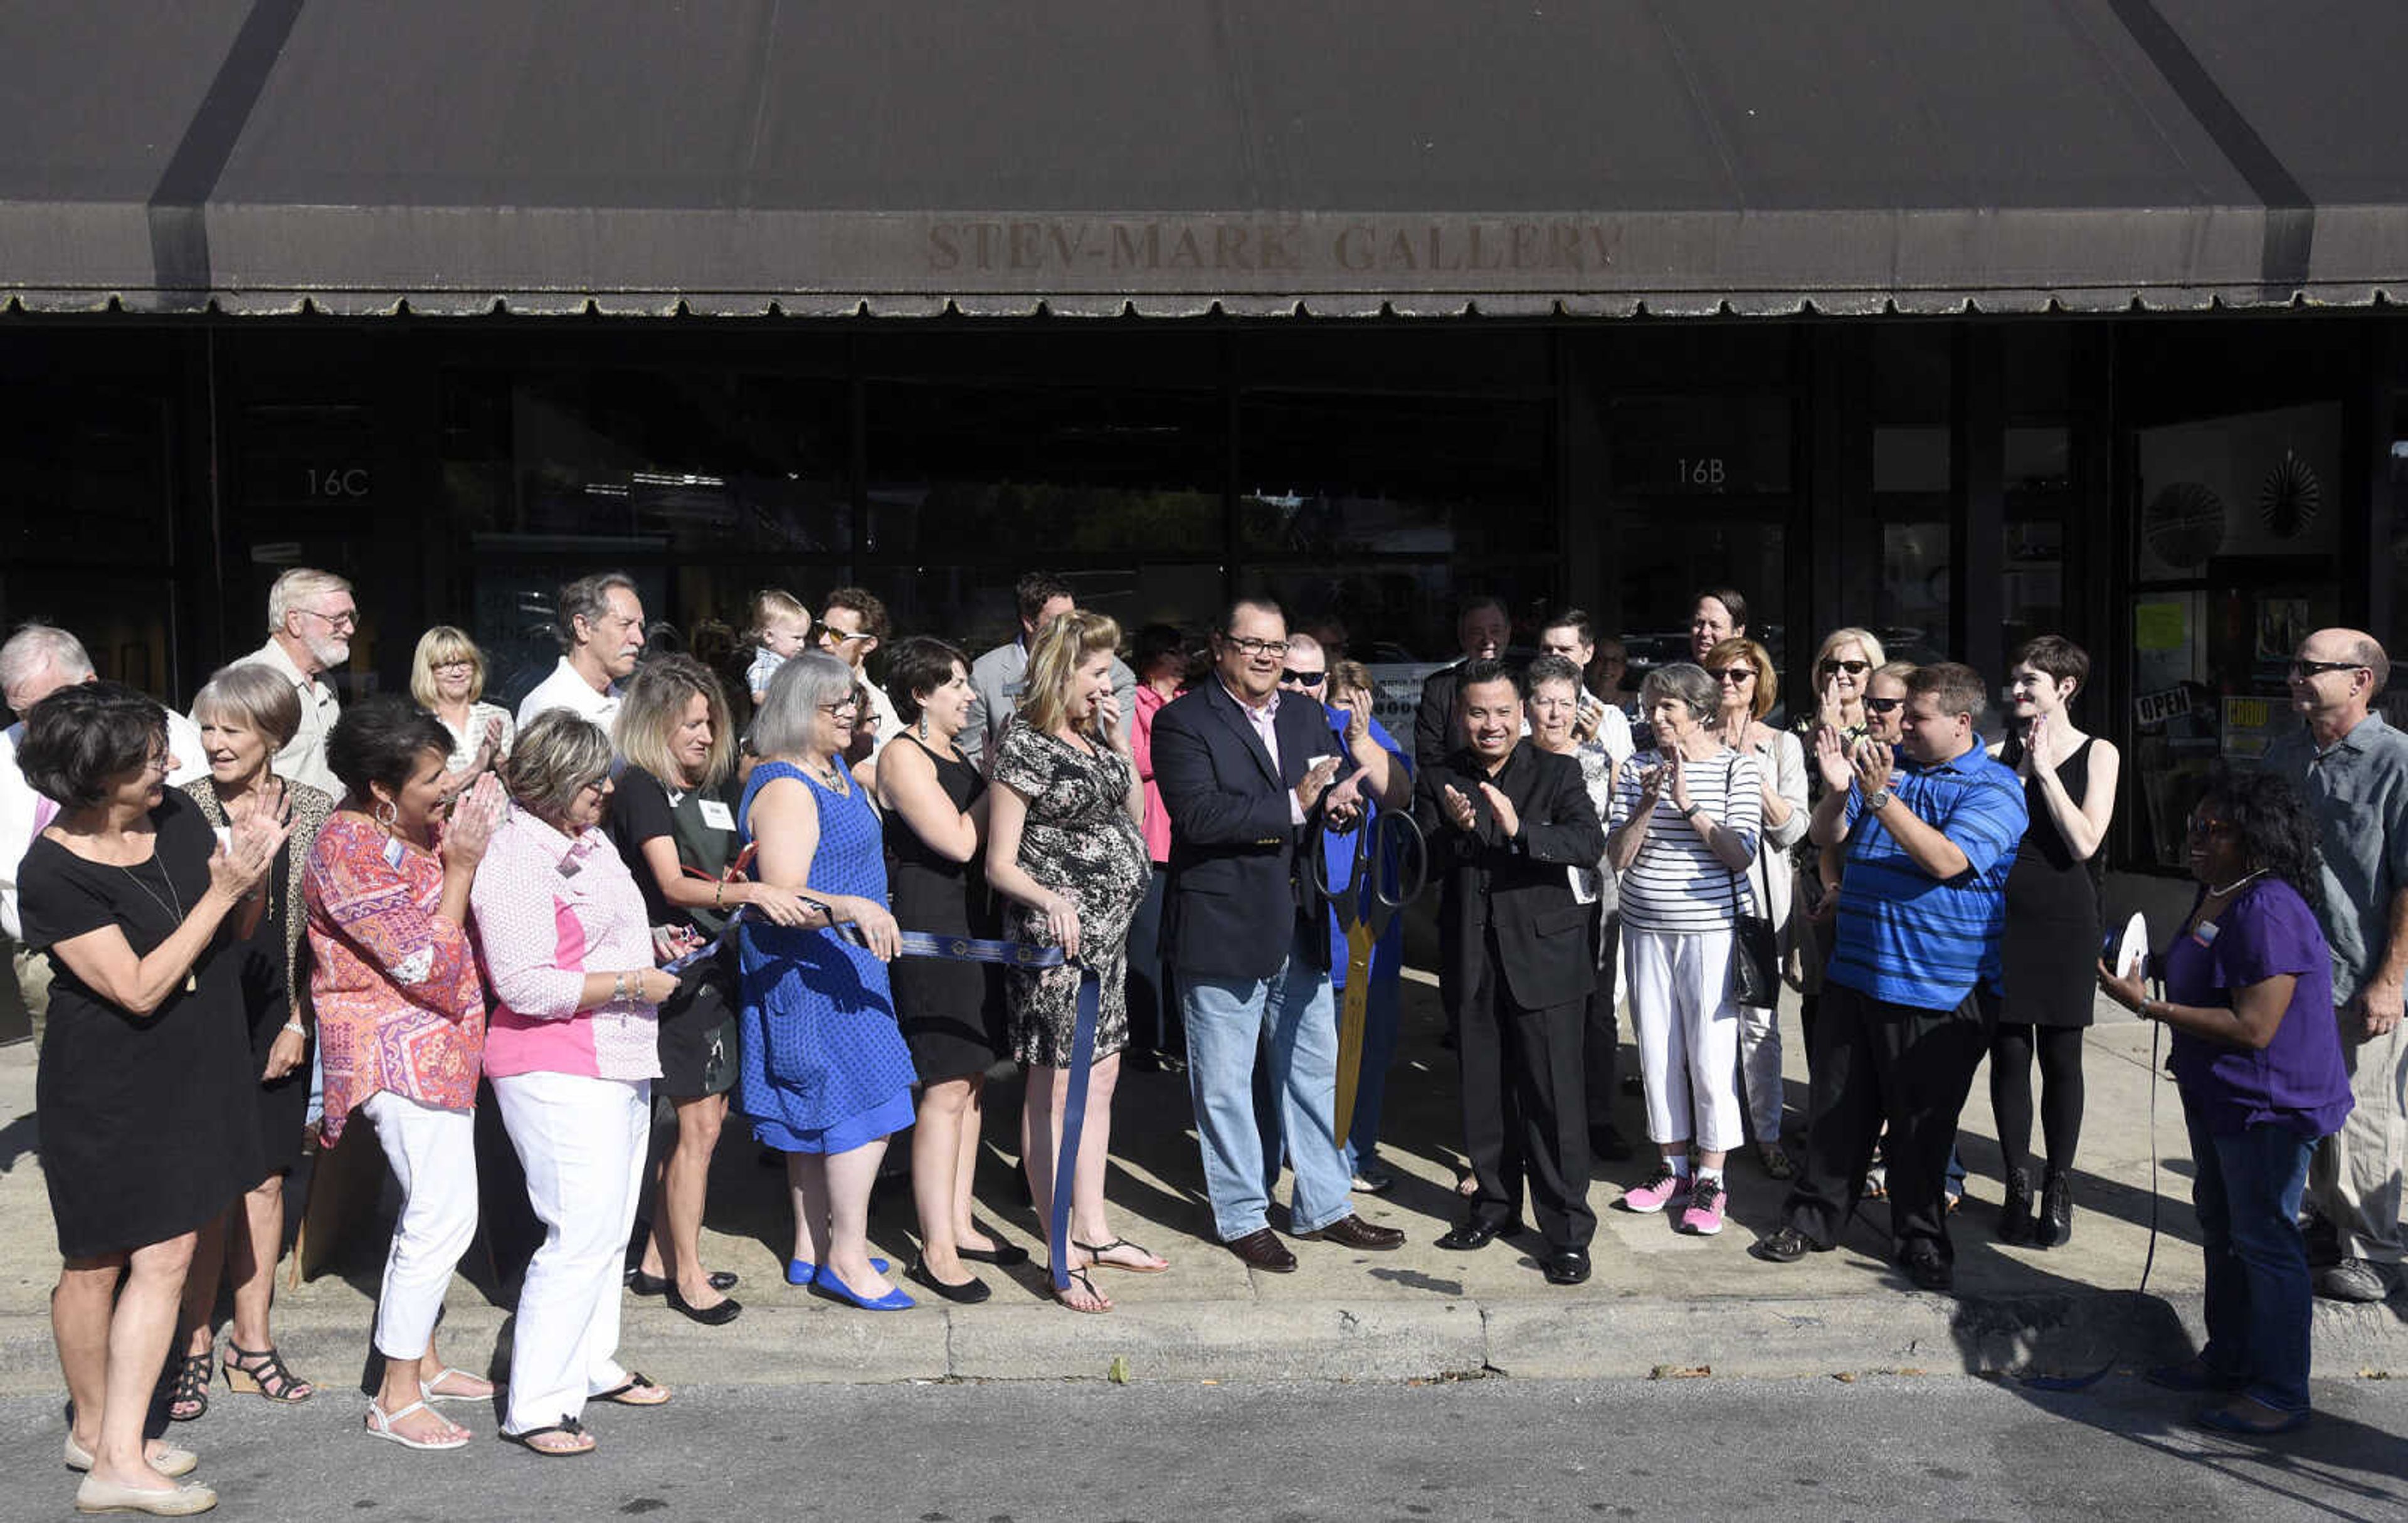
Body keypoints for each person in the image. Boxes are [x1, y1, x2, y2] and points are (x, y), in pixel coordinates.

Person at [19, 682, 286, 1516]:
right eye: (147, 759)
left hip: (198, 1067)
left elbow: (235, 931)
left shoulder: (171, 816)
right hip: (109, 1087)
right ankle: (107, 1446)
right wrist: (221, 890)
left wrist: (252, 873)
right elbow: (135, 989)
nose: (170, 764)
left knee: (166, 1257)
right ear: (93, 779)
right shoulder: (52, 870)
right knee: (96, 1261)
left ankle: (114, 1443)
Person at [1753, 663, 2027, 1291]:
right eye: (1902, 713)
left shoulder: (1996, 787)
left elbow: (1947, 859)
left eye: (1917, 717)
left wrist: (1880, 796)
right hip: (1858, 973)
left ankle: (1921, 1239)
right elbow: (1826, 834)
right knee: (1837, 1113)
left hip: (1940, 989)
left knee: (1920, 1129)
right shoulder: (1890, 765)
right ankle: (1814, 1217)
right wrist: (1837, 788)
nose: (1903, 724)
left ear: (1963, 723)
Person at [1153, 598, 1406, 1271]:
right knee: (1227, 1084)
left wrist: (1336, 808)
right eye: (1252, 644)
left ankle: (1325, 1204)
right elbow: (1200, 816)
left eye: (1274, 646)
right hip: (1222, 926)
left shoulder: (1301, 714)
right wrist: (1297, 804)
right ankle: (1241, 1215)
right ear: (1219, 646)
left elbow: (1323, 795)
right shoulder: (1183, 721)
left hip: (1300, 922)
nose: (1266, 657)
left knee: (1314, 1074)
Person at [2097, 771, 2353, 1435]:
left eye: (2214, 830)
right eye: (2193, 828)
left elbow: (2255, 1027)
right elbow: (2200, 969)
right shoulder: (2217, 892)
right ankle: (2229, 1357)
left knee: (2265, 1239)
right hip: (2217, 1095)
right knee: (2223, 1227)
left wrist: (2148, 1006)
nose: (2196, 841)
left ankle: (2277, 1390)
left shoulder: (2267, 906)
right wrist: (2144, 963)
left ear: (2256, 837)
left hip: (2268, 1104)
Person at [473, 711, 676, 1454]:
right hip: (554, 1062)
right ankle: (535, 1403)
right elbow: (525, 983)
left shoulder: (587, 840)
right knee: (577, 1233)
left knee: (610, 1227)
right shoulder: (515, 856)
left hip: (619, 1052)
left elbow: (600, 933)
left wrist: (654, 943)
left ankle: (590, 1363)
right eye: (593, 778)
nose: (606, 789)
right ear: (553, 782)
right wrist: (631, 978)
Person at [309, 696, 502, 1452]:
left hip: (441, 1053)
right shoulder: (344, 848)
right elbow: (425, 962)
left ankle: (421, 1359)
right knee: (441, 1216)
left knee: (433, 1211)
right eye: (432, 777)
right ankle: (393, 1395)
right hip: (394, 1053)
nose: (446, 789)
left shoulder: (405, 824)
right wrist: (459, 866)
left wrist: (473, 782)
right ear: (382, 788)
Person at [609, 655, 815, 1325]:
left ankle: (662, 1259)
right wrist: (752, 889)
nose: (704, 735)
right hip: (673, 974)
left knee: (703, 1126)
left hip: (720, 966)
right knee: (695, 1125)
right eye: (691, 724)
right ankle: (688, 1276)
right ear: (655, 724)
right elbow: (671, 884)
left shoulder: (717, 784)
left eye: (710, 722)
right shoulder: (640, 786)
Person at [164, 665, 337, 1420]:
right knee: (207, 1182)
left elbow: (323, 935)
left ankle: (253, 1343)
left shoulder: (318, 808)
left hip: (277, 1011)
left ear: (274, 734)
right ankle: (195, 1343)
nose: (215, 742)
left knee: (266, 1182)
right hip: (199, 1011)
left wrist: (300, 1021)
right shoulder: (178, 808)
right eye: (207, 728)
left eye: (232, 729)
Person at [983, 611, 1165, 1311]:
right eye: (1096, 669)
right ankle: (1061, 1249)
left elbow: (1136, 810)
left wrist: (1118, 740)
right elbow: (1000, 861)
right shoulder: (1024, 744)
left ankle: (1095, 1227)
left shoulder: (1091, 736)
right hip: (1058, 949)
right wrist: (1050, 896)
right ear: (1063, 669)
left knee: (1104, 1078)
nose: (1107, 680)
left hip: (1109, 944)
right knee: (1055, 1089)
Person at [736, 653, 913, 1309]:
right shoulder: (786, 783)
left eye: (851, 704)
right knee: (871, 1107)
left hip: (845, 966)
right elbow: (783, 895)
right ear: (796, 708)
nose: (850, 715)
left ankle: (812, 1249)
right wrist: (852, 906)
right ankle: (845, 1256)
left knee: (821, 1115)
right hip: (812, 973)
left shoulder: (832, 769)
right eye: (834, 705)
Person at [1420, 659, 1604, 1282]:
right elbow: (1420, 862)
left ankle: (1568, 1232)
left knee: (1553, 1100)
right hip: (1472, 959)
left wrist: (1520, 829)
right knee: (1485, 1094)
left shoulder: (1558, 770)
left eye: (1503, 712)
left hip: (1545, 959)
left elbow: (1587, 842)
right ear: (1460, 715)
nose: (1491, 724)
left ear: (1522, 714)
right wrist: (1457, 831)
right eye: (1478, 712)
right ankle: (1495, 1205)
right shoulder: (1442, 777)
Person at [875, 635, 1023, 1305]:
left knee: (970, 1083)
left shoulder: (954, 753)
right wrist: (1003, 782)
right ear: (920, 693)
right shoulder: (902, 757)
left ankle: (960, 1221)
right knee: (943, 1084)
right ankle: (933, 1246)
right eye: (957, 683)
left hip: (974, 925)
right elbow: (959, 839)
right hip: (932, 929)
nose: (970, 694)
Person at [2263, 628, 2408, 1304]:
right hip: (2290, 970)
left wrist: (2391, 979)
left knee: (2365, 1112)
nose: (2294, 676)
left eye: (2310, 667)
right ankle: (2326, 1225)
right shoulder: (2287, 752)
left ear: (2361, 680)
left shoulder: (2397, 761)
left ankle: (2375, 1251)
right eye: (2295, 664)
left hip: (2363, 972)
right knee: (2310, 1107)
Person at [1605, 662, 1763, 1238]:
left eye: (1667, 706)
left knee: (1710, 1052)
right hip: (1645, 925)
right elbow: (1618, 857)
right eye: (1650, 706)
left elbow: (1741, 853)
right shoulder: (1638, 770)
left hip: (1712, 929)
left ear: (1699, 710)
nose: (1655, 717)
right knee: (1656, 1047)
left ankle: (1712, 1175)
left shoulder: (1736, 771)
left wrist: (1688, 804)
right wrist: (1647, 806)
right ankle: (1670, 1165)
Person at [4, 625, 203, 1049]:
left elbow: (185, 830)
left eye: (47, 707)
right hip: (43, 951)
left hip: (163, 941)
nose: (37, 725)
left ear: (89, 685)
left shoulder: (165, 736)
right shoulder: (6, 758)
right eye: (21, 714)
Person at [1987, 636, 2120, 1245]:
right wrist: (2016, 769)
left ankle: (2057, 1184)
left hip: (2066, 918)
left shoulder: (2099, 753)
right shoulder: (1993, 753)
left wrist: (2043, 771)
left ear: (2064, 687)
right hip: (2003, 919)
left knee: (2061, 1056)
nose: (2017, 690)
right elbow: (1987, 835)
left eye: (2030, 681)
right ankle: (2017, 1182)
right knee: (2009, 1052)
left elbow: (2084, 841)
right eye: (2015, 679)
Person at [1277, 638, 1414, 1193]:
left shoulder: (1359, 732)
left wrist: (1360, 743)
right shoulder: (1269, 734)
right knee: (1297, 1055)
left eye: (1310, 679)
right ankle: (1297, 1149)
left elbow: (1401, 794)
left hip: (1362, 928)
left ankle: (1355, 1152)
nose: (1298, 686)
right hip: (1295, 925)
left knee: (1362, 1049)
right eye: (1287, 675)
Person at [1703, 636, 1810, 1177]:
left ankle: (1766, 1133)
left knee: (1759, 1023)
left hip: (1758, 904)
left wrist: (1753, 774)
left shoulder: (1782, 745)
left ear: (1759, 683)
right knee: (1705, 1022)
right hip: (1696, 902)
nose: (1728, 683)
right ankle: (1711, 1136)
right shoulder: (1692, 737)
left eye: (1740, 675)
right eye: (1719, 673)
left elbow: (1794, 828)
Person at [1526, 653, 1633, 1162]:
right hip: (1531, 898)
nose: (1554, 713)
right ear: (1527, 706)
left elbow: (1616, 829)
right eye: (1545, 701)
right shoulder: (1516, 757)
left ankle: (1598, 1116)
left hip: (1593, 895)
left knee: (1597, 1010)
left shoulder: (1597, 761)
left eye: (1565, 702)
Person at [1790, 630, 1889, 1060]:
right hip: (1813, 866)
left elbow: (1863, 787)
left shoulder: (1887, 726)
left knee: (1866, 988)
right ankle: (1821, 1107)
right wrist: (1821, 729)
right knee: (1819, 990)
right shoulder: (1797, 728)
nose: (1842, 675)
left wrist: (1838, 732)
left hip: (1866, 866)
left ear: (1873, 672)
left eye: (1854, 666)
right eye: (1832, 665)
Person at [964, 571, 1136, 765]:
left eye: (1073, 619)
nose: (1069, 628)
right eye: (1058, 622)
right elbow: (972, 753)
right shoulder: (984, 674)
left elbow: (1125, 685)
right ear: (1029, 622)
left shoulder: (1104, 667)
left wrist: (1110, 735)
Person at [220, 567, 352, 799]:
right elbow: (205, 770)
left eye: (351, 618)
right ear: (295, 621)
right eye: (338, 620)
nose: (350, 629)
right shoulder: (245, 682)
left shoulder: (325, 682)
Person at [1126, 621, 1188, 1072]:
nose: (1184, 657)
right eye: (1174, 650)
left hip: (1187, 836)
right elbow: (1132, 758)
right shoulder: (1134, 701)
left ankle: (1180, 1036)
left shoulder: (1187, 702)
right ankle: (1144, 1039)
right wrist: (1173, 745)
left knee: (1179, 944)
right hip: (1150, 840)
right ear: (1152, 659)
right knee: (1145, 944)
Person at [517, 571, 645, 728]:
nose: (639, 640)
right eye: (625, 625)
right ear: (583, 627)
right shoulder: (549, 707)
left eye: (640, 627)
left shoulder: (630, 707)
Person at [410, 625, 514, 794]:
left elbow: (521, 794)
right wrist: (477, 767)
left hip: (503, 821)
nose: (457, 672)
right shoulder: (419, 727)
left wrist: (499, 758)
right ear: (428, 671)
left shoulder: (499, 717)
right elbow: (431, 797)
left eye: (463, 663)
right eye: (446, 664)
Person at [813, 586, 904, 781]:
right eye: (822, 629)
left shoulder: (879, 707)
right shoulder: (793, 689)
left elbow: (894, 783)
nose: (823, 640)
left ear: (869, 644)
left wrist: (841, 762)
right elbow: (747, 767)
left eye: (837, 635)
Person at [1415, 594, 1511, 772]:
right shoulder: (1438, 689)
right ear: (1462, 638)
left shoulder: (1524, 683)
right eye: (1477, 632)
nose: (1487, 640)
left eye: (1495, 631)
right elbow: (1430, 757)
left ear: (1508, 633)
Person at [1537, 608, 1636, 764]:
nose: (1554, 657)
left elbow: (1624, 783)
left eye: (1565, 650)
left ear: (1588, 653)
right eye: (1547, 650)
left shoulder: (1611, 719)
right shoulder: (1520, 711)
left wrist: (1593, 742)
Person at [744, 588, 813, 707]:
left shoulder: (785, 662)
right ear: (769, 636)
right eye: (796, 638)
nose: (802, 645)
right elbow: (759, 697)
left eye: (803, 638)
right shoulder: (767, 665)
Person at [1688, 587, 1750, 666]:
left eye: (1715, 626)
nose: (1704, 633)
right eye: (1699, 624)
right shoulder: (1676, 676)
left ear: (1738, 632)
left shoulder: (1750, 675)